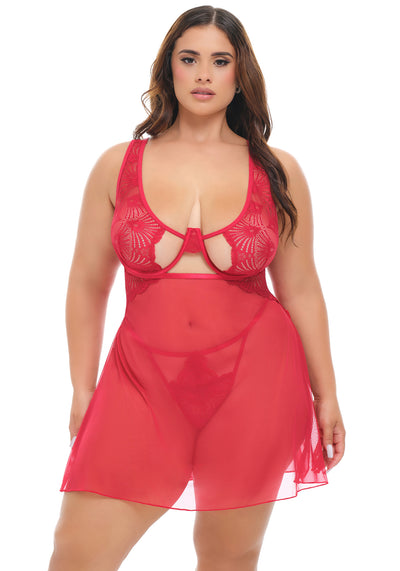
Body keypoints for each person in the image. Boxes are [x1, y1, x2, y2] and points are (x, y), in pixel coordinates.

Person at [48, 5, 346, 571]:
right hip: (140, 378)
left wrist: (326, 393)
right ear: (170, 69)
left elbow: (302, 290)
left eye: (220, 61)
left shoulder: (277, 171)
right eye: (190, 59)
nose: (204, 74)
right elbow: (87, 284)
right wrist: (82, 390)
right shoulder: (118, 165)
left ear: (240, 74)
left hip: (255, 377)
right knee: (76, 551)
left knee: (227, 556)